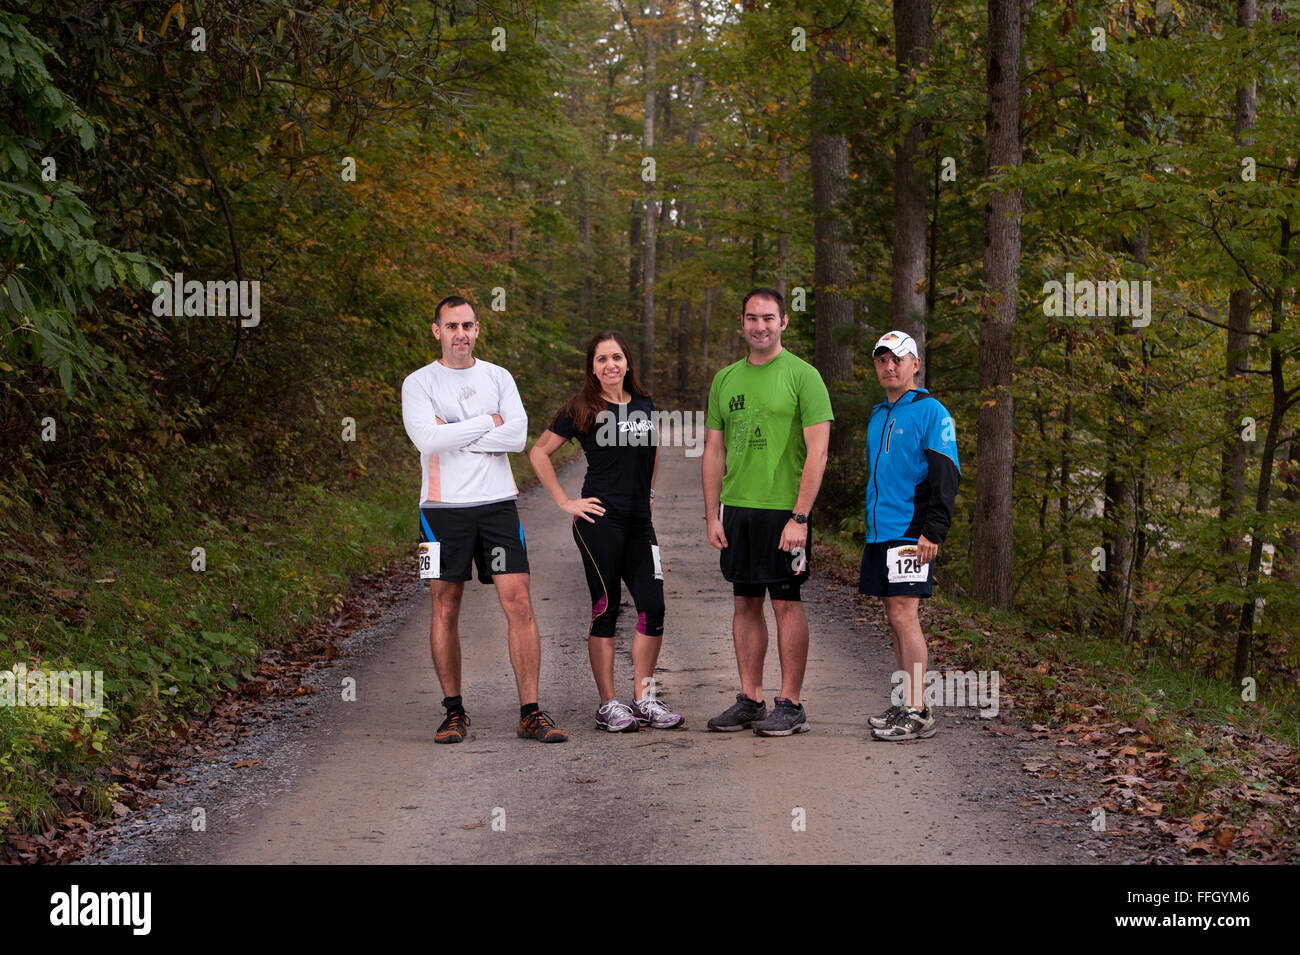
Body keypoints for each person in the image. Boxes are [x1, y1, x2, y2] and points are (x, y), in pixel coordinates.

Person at [400, 295, 568, 744]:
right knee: (444, 606)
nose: (461, 334)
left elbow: (515, 438)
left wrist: (453, 431)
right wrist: (485, 422)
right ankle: (453, 712)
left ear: (477, 329)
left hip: (497, 505)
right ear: (437, 331)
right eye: (452, 326)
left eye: (468, 326)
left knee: (519, 603)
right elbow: (426, 440)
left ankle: (530, 712)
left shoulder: (499, 376)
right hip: (437, 510)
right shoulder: (417, 383)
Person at [529, 331, 683, 733]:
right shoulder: (581, 409)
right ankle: (608, 705)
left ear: (627, 363)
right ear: (592, 368)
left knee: (654, 607)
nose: (610, 365)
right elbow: (539, 453)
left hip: (638, 524)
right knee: (606, 608)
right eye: (601, 359)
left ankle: (644, 698)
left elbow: (651, 452)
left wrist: (648, 492)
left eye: (616, 357)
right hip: (599, 523)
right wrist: (566, 502)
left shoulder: (646, 405)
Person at [702, 288, 833, 736]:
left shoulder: (804, 376)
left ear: (783, 322)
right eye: (752, 318)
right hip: (737, 510)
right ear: (741, 322)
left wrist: (800, 517)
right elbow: (714, 451)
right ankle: (750, 699)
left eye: (769, 318)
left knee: (786, 603)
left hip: (783, 513)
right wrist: (712, 514)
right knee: (744, 601)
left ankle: (791, 704)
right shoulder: (725, 379)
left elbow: (818, 453)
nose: (760, 325)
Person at [859, 330, 960, 741]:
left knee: (905, 614)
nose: (889, 366)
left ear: (915, 364)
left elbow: (946, 474)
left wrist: (933, 530)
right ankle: (906, 702)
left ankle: (919, 710)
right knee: (893, 615)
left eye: (897, 359)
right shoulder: (878, 414)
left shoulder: (932, 412)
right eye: (882, 360)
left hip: (912, 532)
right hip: (880, 530)